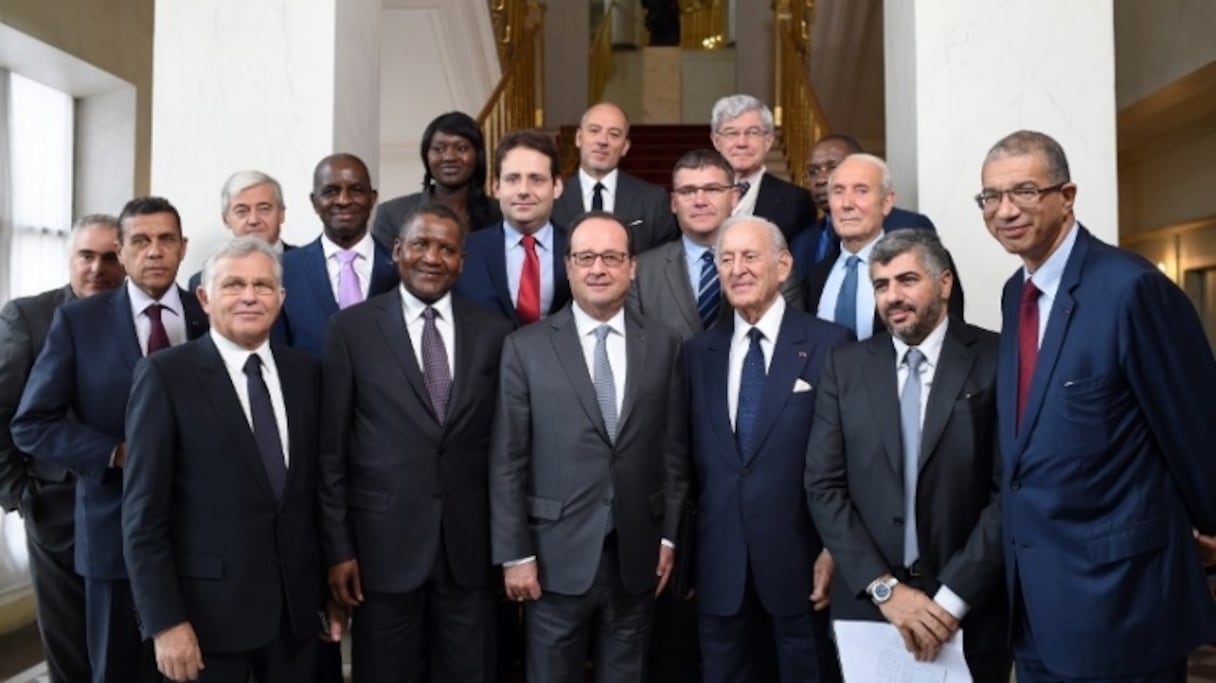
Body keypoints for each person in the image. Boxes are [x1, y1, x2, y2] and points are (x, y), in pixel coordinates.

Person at [982, 130, 1216, 681]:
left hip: (1122, 602)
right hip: (1034, 606)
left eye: (1024, 191)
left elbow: (1195, 427)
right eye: (990, 197)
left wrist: (1209, 526)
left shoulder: (1131, 288)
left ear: (1067, 196)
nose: (1005, 210)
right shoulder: (1016, 293)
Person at [122, 238, 342, 682]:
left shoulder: (306, 374)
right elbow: (143, 517)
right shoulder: (166, 376)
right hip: (207, 625)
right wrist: (165, 622)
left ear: (280, 299)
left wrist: (327, 594)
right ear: (204, 297)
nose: (249, 296)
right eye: (233, 284)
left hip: (297, 621)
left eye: (262, 285)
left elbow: (315, 492)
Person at [12, 196, 208, 683]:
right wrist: (113, 452)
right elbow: (32, 422)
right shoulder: (80, 322)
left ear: (184, 248)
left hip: (206, 537)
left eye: (166, 240)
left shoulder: (210, 314)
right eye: (140, 241)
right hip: (111, 531)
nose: (155, 251)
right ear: (121, 251)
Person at [489, 212, 690, 682]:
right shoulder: (525, 347)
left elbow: (674, 452)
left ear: (632, 267)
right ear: (568, 265)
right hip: (552, 559)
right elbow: (508, 460)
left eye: (612, 257)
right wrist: (515, 554)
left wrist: (669, 536)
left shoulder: (664, 344)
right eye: (586, 258)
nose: (598, 268)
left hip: (637, 556)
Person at [805, 229, 1010, 682]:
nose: (892, 296)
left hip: (970, 608)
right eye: (881, 285)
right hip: (869, 606)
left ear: (944, 283)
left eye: (907, 280)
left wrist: (952, 599)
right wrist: (885, 589)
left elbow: (1010, 491)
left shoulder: (997, 357)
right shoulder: (845, 367)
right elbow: (824, 486)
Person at [321, 204, 512, 682]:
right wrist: (339, 548)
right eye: (421, 245)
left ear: (462, 262)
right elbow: (331, 453)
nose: (433, 257)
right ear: (397, 252)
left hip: (469, 550)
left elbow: (505, 449)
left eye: (447, 248)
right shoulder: (352, 329)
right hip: (382, 549)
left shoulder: (494, 333)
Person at [683, 215, 850, 683]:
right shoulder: (698, 354)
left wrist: (835, 549)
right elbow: (686, 463)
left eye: (750, 256)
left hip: (802, 564)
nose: (737, 269)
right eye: (726, 259)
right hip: (719, 567)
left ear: (783, 265)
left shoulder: (829, 344)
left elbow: (848, 458)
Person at [0, 215, 124, 683]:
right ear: (69, 258)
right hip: (57, 511)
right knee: (71, 649)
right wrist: (20, 496)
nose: (97, 268)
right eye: (86, 256)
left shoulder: (139, 317)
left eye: (110, 257)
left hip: (130, 507)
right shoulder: (28, 317)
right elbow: (1, 412)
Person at [631, 149, 804, 342]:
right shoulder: (642, 270)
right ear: (673, 203)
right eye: (688, 191)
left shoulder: (772, 263)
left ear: (734, 198)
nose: (700, 201)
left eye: (712, 189)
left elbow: (793, 337)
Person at [804, 154, 963, 341]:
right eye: (838, 191)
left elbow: (953, 337)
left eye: (861, 191)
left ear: (887, 202)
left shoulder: (924, 264)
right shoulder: (815, 276)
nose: (846, 204)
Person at [273, 153, 398, 356]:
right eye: (330, 191)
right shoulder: (285, 270)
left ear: (372, 199)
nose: (343, 200)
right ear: (314, 202)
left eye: (356, 190)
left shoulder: (401, 269)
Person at [455, 130, 571, 327]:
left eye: (536, 179)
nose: (524, 191)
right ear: (496, 187)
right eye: (512, 179)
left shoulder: (577, 249)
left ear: (557, 186)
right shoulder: (465, 252)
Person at [790, 134, 935, 275]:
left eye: (833, 168)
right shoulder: (802, 242)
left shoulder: (910, 227)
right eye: (812, 172)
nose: (820, 179)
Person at [552, 102, 678, 253]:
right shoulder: (552, 199)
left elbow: (665, 263)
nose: (602, 141)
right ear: (579, 138)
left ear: (625, 147)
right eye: (594, 131)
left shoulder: (653, 201)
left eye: (614, 134)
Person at [372, 111, 501, 246]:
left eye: (461, 148)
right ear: (426, 156)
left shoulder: (500, 214)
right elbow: (384, 267)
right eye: (439, 149)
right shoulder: (392, 214)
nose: (449, 157)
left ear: (478, 155)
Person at [709, 94, 813, 243]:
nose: (742, 142)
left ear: (768, 141)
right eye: (731, 133)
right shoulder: (696, 196)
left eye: (753, 133)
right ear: (716, 141)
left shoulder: (796, 201)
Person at [187, 170, 297, 291]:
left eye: (264, 209)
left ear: (281, 214)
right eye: (242, 211)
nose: (253, 220)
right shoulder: (203, 282)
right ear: (226, 220)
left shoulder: (312, 266)